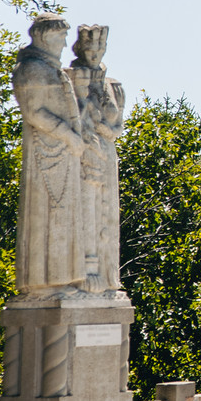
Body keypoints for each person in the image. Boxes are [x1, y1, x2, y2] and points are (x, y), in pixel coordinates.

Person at [12, 14, 87, 293]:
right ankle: (45, 283)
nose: (66, 44)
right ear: (43, 36)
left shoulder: (50, 68)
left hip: (63, 154)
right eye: (60, 37)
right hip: (46, 153)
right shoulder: (32, 69)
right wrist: (67, 134)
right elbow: (34, 112)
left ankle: (63, 278)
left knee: (64, 216)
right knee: (47, 215)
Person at [69, 24, 125, 292]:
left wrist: (106, 128)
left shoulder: (111, 84)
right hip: (84, 156)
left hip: (106, 154)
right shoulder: (72, 78)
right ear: (81, 47)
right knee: (88, 212)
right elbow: (80, 120)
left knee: (106, 216)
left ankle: (107, 273)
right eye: (90, 47)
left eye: (100, 47)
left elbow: (116, 128)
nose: (95, 52)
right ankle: (86, 271)